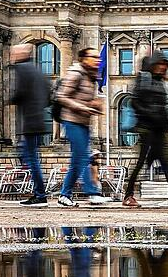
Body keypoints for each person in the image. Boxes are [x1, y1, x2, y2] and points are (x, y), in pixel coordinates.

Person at [121, 50, 168, 207]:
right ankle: (128, 195)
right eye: (159, 64)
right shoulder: (143, 79)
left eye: (164, 64)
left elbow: (165, 108)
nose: (162, 67)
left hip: (161, 129)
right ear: (153, 64)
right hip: (146, 128)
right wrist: (152, 117)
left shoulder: (164, 83)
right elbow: (136, 103)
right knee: (141, 162)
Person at [54, 47, 111, 207]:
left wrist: (94, 105)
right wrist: (82, 107)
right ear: (84, 59)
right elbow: (62, 96)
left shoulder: (90, 76)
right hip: (71, 120)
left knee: (77, 161)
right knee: (85, 156)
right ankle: (92, 192)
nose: (98, 59)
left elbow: (84, 98)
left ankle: (64, 195)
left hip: (83, 122)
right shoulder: (76, 72)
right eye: (94, 57)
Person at [7, 42, 50, 206]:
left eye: (14, 53)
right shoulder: (38, 70)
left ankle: (40, 195)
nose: (12, 56)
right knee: (30, 158)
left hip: (30, 122)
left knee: (31, 159)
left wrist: (11, 99)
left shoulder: (23, 69)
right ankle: (39, 194)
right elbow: (48, 93)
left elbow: (21, 92)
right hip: (38, 120)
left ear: (20, 54)